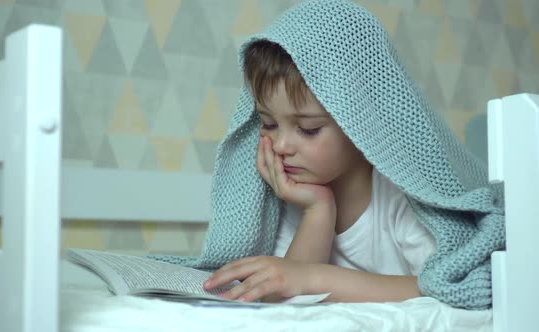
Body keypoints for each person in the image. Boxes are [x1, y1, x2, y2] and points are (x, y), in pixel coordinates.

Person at [157, 0, 504, 310]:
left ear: (361, 121)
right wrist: (317, 210)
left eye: (307, 129)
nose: (280, 146)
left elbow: (442, 288)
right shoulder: (288, 195)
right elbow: (280, 294)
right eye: (268, 123)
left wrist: (315, 279)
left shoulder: (403, 201)